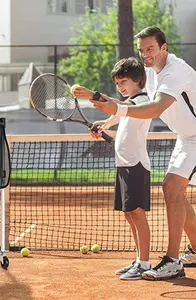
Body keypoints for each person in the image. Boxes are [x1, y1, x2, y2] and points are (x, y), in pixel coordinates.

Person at [73, 26, 196, 281]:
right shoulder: (150, 73)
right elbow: (132, 103)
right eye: (141, 50)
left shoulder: (176, 72)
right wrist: (102, 106)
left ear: (164, 47)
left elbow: (155, 107)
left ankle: (172, 261)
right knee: (176, 192)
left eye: (150, 48)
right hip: (186, 137)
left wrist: (114, 109)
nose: (145, 54)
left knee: (172, 187)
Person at [77, 57, 152, 280]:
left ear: (138, 80)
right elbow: (117, 116)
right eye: (117, 83)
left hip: (136, 166)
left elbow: (121, 107)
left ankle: (145, 263)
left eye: (124, 82)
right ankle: (139, 259)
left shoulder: (142, 101)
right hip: (123, 165)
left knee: (137, 214)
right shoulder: (127, 105)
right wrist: (104, 127)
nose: (120, 87)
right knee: (129, 214)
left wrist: (93, 95)